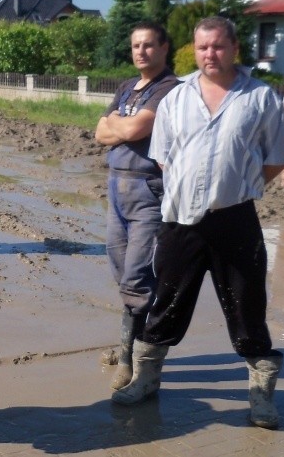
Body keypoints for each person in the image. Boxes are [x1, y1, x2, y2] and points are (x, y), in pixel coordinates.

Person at [111, 16, 284, 431]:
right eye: (203, 47)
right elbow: (163, 156)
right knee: (166, 304)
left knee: (248, 309)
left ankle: (261, 396)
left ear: (235, 49)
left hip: (235, 222)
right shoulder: (177, 98)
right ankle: (146, 379)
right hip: (181, 222)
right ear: (194, 50)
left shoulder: (260, 97)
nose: (210, 54)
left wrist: (237, 186)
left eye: (219, 46)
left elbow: (276, 157)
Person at [95, 22, 178, 390]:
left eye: (147, 45)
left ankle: (133, 358)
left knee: (137, 275)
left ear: (164, 48)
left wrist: (118, 123)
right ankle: (130, 343)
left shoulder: (169, 90)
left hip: (148, 190)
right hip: (116, 188)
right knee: (120, 269)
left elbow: (129, 132)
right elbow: (100, 133)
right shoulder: (128, 87)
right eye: (135, 46)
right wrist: (119, 123)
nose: (140, 51)